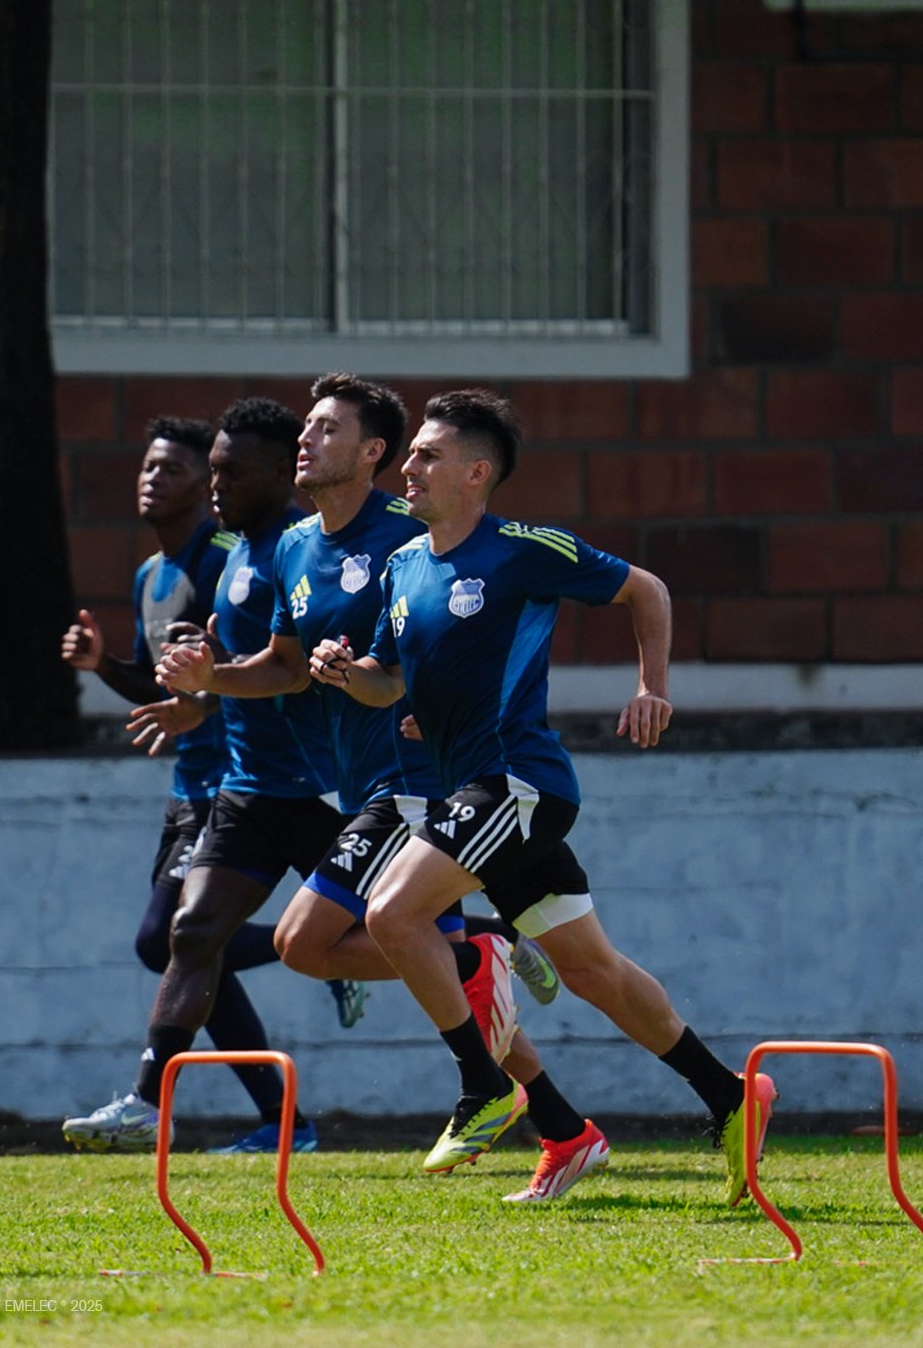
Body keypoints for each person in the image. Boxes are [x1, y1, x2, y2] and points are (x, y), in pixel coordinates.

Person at [309, 388, 776, 1205]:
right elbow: (388, 684)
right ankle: (731, 1094)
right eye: (411, 454)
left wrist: (652, 687)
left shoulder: (521, 549)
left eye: (427, 455)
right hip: (478, 793)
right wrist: (348, 673)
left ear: (476, 473)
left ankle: (484, 1085)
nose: (408, 467)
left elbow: (646, 589)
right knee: (592, 970)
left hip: (519, 782)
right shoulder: (402, 566)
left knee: (392, 912)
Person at [153, 374, 608, 1198]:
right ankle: (561, 1123)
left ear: (372, 454)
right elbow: (286, 669)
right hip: (359, 784)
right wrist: (210, 678)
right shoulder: (294, 545)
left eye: (324, 429)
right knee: (419, 971)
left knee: (306, 943)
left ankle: (483, 980)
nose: (306, 439)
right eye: (306, 427)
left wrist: (435, 706)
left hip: (421, 784)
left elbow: (472, 626)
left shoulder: (412, 530)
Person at [62, 401, 358, 1156]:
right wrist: (113, 669)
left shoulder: (256, 550)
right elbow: (178, 679)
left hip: (285, 780)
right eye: (148, 466)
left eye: (180, 469)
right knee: (186, 938)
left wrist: (206, 695)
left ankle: (468, 949)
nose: (154, 480)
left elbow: (275, 669)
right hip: (223, 785)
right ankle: (204, 1110)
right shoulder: (164, 571)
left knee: (183, 938)